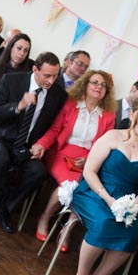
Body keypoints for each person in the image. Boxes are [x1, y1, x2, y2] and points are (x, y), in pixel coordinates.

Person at [65, 95, 138, 275]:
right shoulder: (112, 137)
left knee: (130, 234)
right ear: (133, 114)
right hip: (96, 192)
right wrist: (108, 199)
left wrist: (133, 205)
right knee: (103, 222)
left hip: (129, 200)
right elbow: (90, 171)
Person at [0, 52, 67, 234]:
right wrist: (18, 106)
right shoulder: (11, 80)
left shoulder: (58, 95)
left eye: (55, 76)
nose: (51, 81)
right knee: (0, 157)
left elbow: (52, 127)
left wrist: (41, 144)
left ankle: (6, 209)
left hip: (26, 145)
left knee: (38, 171)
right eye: (47, 75)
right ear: (35, 69)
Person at [31, 69, 116, 241]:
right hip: (61, 154)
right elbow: (55, 130)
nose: (99, 87)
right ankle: (45, 217)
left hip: (88, 160)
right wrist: (41, 144)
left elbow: (104, 146)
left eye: (103, 85)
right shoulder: (70, 103)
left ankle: (67, 230)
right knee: (68, 186)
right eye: (95, 83)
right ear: (85, 84)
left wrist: (89, 161)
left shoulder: (108, 115)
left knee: (85, 189)